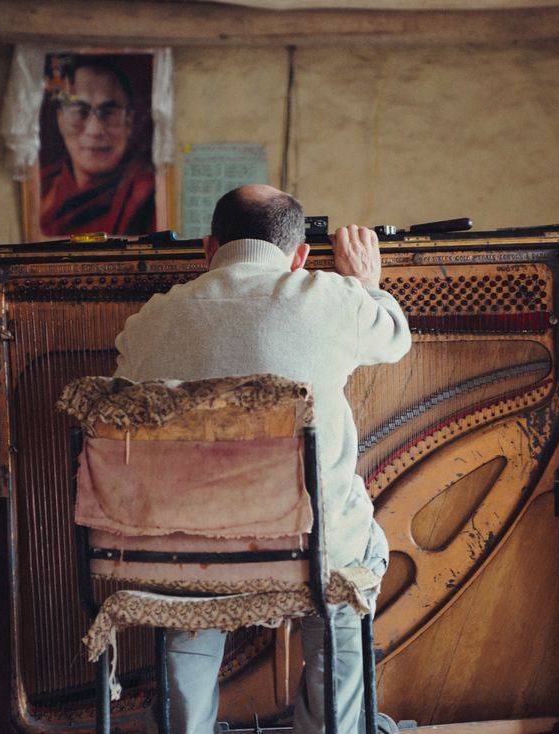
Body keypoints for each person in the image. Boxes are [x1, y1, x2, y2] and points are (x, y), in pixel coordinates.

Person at [113, 184, 411, 732]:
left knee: (189, 572)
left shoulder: (150, 320)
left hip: (189, 548)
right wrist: (367, 286)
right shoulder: (334, 297)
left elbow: (118, 416)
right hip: (311, 547)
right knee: (347, 563)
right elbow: (394, 339)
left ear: (209, 248)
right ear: (299, 255)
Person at [39, 59, 155, 238]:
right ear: (60, 121)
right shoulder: (44, 189)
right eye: (79, 112)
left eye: (108, 113)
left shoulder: (146, 193)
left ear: (129, 122)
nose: (94, 131)